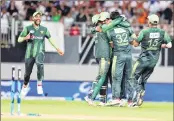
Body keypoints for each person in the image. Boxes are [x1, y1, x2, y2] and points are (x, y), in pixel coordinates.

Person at [17, 11, 64, 98]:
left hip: (40, 52)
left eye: (40, 17)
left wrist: (57, 49)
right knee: (27, 73)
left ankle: (39, 84)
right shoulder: (27, 28)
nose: (39, 18)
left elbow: (51, 39)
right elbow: (19, 39)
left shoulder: (44, 29)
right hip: (29, 54)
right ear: (33, 18)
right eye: (37, 17)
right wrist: (25, 37)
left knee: (40, 64)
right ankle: (25, 86)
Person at [130, 14, 172, 107]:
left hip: (143, 60)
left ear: (149, 22)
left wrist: (131, 40)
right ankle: (136, 101)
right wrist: (160, 45)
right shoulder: (162, 32)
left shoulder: (144, 31)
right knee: (143, 80)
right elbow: (169, 45)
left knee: (132, 77)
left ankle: (138, 92)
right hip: (153, 62)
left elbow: (136, 44)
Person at [100, 11, 136, 106]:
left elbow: (111, 45)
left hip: (118, 55)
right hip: (128, 55)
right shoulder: (127, 28)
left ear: (112, 20)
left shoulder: (110, 30)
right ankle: (131, 101)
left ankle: (116, 98)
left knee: (116, 77)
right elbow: (134, 40)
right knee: (129, 78)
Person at [84, 14, 111, 106]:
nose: (108, 21)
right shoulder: (103, 27)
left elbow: (91, 30)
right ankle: (90, 96)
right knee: (102, 77)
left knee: (103, 78)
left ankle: (102, 100)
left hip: (100, 55)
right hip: (104, 55)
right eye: (107, 19)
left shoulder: (97, 29)